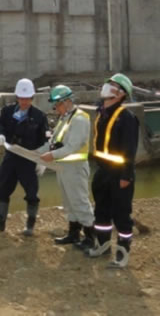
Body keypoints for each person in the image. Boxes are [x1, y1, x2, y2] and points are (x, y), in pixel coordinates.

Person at [85, 73, 139, 268]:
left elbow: (129, 150)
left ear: (121, 93)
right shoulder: (102, 113)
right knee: (101, 212)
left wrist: (126, 175)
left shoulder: (126, 118)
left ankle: (122, 253)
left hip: (119, 174)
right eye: (108, 82)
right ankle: (103, 245)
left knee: (121, 214)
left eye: (113, 84)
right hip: (103, 171)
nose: (107, 86)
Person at [0, 78, 48, 236]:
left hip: (28, 160)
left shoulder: (39, 117)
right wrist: (0, 135)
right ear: (17, 98)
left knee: (32, 193)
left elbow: (45, 140)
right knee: (3, 189)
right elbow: (0, 125)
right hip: (11, 158)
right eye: (21, 98)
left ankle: (30, 226)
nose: (24, 102)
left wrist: (42, 160)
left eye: (27, 99)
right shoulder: (7, 112)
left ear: (32, 98)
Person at [35, 85, 95, 249]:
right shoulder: (65, 118)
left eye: (58, 104)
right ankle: (74, 234)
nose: (56, 108)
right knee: (69, 203)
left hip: (75, 168)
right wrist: (34, 153)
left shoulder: (79, 119)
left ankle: (91, 238)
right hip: (63, 168)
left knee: (80, 202)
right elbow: (53, 143)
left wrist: (50, 156)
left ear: (67, 101)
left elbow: (72, 146)